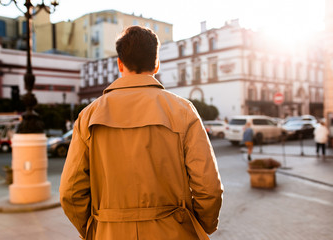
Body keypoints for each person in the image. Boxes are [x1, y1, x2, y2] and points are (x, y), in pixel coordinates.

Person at [60, 26, 223, 240]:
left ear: (120, 64)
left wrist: (95, 229)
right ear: (156, 64)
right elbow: (208, 188)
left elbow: (70, 193)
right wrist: (200, 226)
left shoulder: (88, 116)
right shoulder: (183, 111)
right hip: (174, 232)